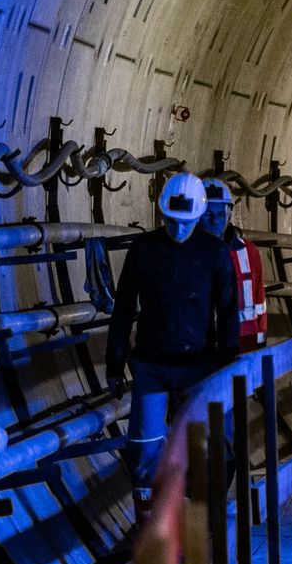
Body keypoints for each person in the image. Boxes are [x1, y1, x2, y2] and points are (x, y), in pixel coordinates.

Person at [105, 171, 237, 501]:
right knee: (144, 446)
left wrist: (228, 363)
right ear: (162, 214)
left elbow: (228, 312)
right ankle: (149, 525)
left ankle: (197, 521)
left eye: (186, 222)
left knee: (198, 446)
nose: (178, 230)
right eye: (172, 222)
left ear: (197, 216)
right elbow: (123, 307)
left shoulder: (214, 253)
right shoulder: (143, 249)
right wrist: (114, 362)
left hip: (198, 367)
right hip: (151, 365)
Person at [202, 179, 269, 351]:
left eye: (220, 214)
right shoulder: (186, 254)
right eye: (207, 214)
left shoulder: (248, 251)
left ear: (230, 214)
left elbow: (259, 300)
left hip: (243, 344)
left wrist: (259, 345)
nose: (214, 221)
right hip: (200, 349)